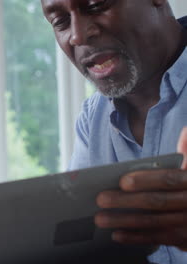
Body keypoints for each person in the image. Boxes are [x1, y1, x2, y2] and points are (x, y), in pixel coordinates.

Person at [40, 0, 187, 263]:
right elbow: (83, 243)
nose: (77, 35)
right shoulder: (92, 119)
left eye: (97, 6)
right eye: (61, 22)